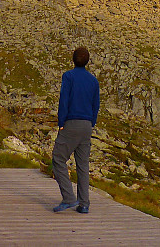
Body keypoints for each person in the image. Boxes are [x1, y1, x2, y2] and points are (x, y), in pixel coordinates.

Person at [51, 46, 100, 214]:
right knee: (83, 165)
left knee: (58, 158)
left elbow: (64, 99)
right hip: (87, 125)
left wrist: (61, 121)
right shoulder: (93, 80)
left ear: (73, 59)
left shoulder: (69, 76)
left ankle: (69, 198)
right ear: (87, 61)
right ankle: (84, 204)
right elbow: (96, 104)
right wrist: (92, 122)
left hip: (71, 122)